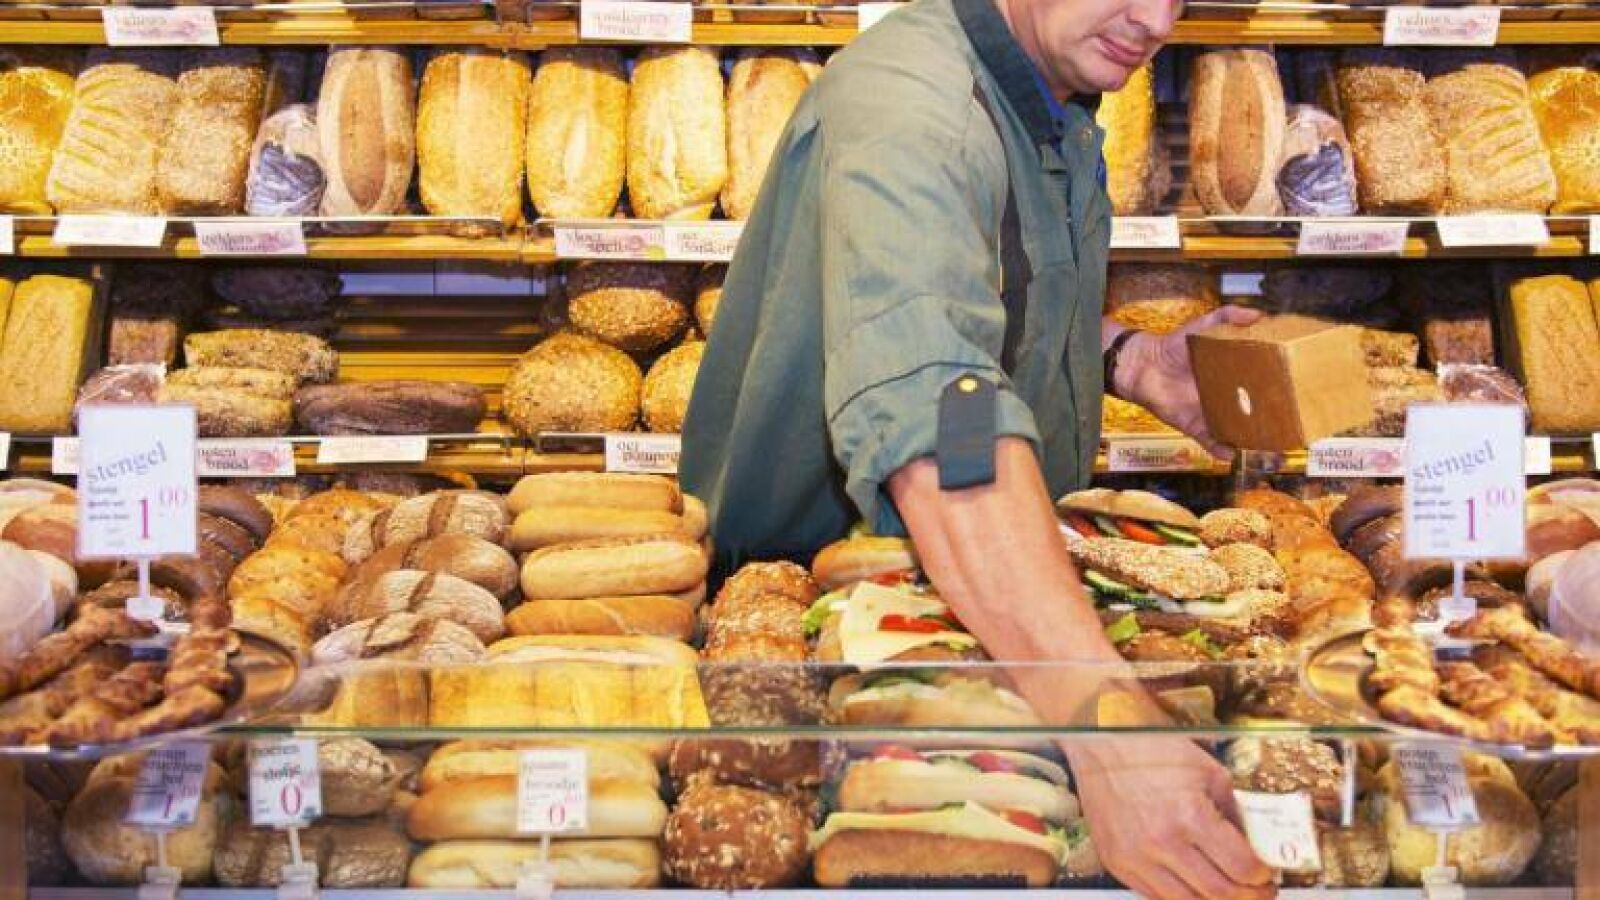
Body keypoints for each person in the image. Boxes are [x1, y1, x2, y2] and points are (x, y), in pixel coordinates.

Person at [680, 0, 1274, 896]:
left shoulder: (1046, 84)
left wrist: (1128, 358)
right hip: (830, 648)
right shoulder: (914, 109)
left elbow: (968, 297)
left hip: (1000, 609)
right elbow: (942, 432)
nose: (1156, 19)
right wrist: (1112, 738)